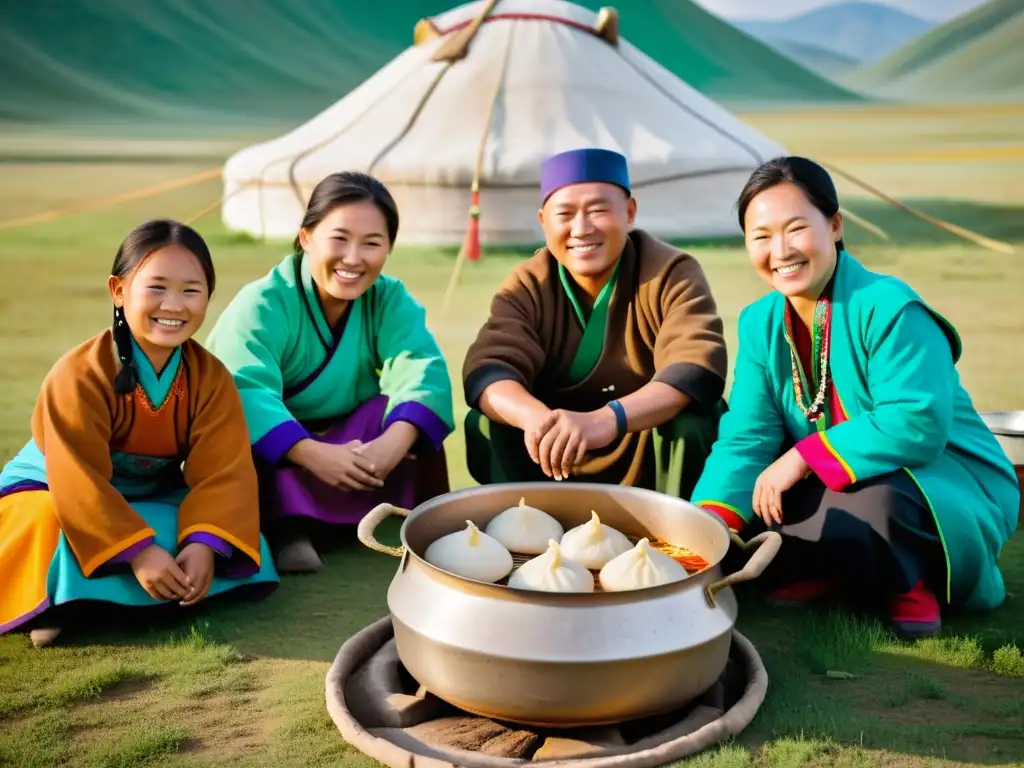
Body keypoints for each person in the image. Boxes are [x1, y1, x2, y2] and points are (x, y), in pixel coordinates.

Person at [691, 156, 1020, 639]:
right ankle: (831, 572)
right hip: (831, 478)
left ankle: (911, 581)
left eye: (796, 229)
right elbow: (747, 437)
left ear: (836, 225)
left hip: (935, 478)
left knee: (877, 502)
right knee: (762, 510)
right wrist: (710, 523)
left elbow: (918, 422)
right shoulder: (759, 322)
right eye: (760, 236)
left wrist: (803, 456)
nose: (780, 250)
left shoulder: (889, 306)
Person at [0, 220, 279, 648]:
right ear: (118, 290)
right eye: (157, 287)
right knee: (49, 525)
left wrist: (204, 544)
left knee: (235, 535)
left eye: (191, 290)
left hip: (149, 494)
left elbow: (223, 473)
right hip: (57, 489)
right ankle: (61, 599)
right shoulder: (78, 373)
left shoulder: (212, 378)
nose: (174, 305)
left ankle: (89, 597)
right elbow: (77, 480)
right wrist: (138, 551)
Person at [205, 172, 454, 573]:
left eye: (372, 244)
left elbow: (419, 367)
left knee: (402, 416)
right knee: (248, 442)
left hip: (350, 442)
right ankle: (290, 527)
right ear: (306, 238)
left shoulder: (388, 297)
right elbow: (242, 390)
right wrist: (310, 453)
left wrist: (392, 442)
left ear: (388, 248)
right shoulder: (262, 302)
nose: (354, 259)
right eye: (339, 239)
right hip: (284, 449)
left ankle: (371, 516)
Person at [462, 148, 728, 495]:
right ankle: (519, 532)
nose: (582, 229)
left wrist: (607, 419)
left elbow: (694, 368)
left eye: (599, 210)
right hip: (553, 450)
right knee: (486, 422)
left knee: (693, 422)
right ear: (544, 221)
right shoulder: (529, 283)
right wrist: (540, 422)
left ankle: (677, 537)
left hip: (637, 435)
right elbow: (489, 368)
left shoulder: (670, 273)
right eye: (565, 214)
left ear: (629, 212)